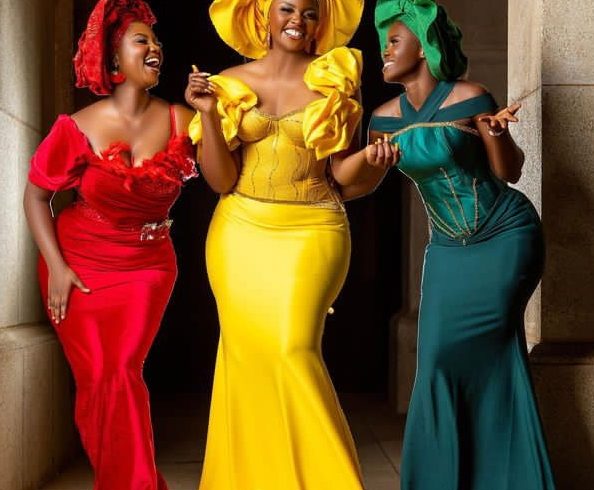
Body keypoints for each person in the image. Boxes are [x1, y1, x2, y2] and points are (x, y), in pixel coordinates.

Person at [184, 0, 396, 488]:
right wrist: (209, 115)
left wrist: (372, 160)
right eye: (286, 8)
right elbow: (220, 181)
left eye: (309, 12)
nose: (298, 20)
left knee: (293, 348)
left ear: (321, 23)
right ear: (264, 15)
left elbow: (342, 175)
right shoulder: (228, 84)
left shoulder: (335, 80)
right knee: (244, 358)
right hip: (239, 230)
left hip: (313, 228)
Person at [370, 0, 556, 488]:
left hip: (505, 235)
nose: (384, 50)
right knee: (436, 360)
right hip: (448, 250)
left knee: (489, 353)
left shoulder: (471, 97)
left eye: (394, 40)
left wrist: (496, 134)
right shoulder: (383, 119)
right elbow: (354, 181)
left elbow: (508, 171)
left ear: (423, 47)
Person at [23, 1, 196, 488]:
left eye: (157, 41)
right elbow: (36, 197)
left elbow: (227, 177)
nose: (155, 47)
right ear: (114, 58)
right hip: (78, 262)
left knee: (120, 369)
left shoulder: (182, 119)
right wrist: (57, 267)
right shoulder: (77, 126)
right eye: (142, 40)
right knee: (97, 379)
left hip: (147, 266)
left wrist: (208, 112)